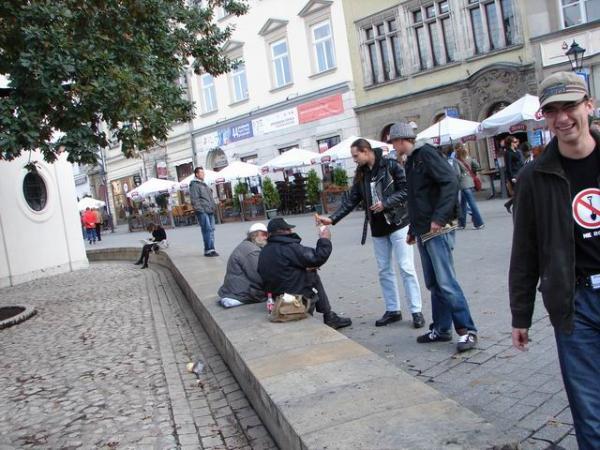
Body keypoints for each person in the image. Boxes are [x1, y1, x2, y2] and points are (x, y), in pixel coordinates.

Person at [509, 71, 600, 448]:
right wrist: (521, 314)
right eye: (552, 111)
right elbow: (525, 249)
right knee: (590, 411)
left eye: (570, 106)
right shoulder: (534, 176)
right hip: (575, 304)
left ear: (589, 106)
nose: (562, 118)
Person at [316, 137, 425, 328]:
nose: (354, 160)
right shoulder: (362, 173)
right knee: (384, 270)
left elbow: (407, 189)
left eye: (355, 156)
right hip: (378, 227)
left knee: (406, 268)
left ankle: (416, 311)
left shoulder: (390, 165)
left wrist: (386, 203)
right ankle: (393, 310)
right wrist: (332, 219)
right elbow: (352, 200)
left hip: (398, 222)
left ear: (366, 151)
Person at [390, 122, 479, 353]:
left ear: (401, 140)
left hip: (438, 228)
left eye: (393, 142)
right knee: (435, 283)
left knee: (446, 282)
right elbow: (416, 198)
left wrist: (439, 217)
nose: (393, 146)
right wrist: (413, 229)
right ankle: (441, 329)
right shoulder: (412, 160)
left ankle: (467, 330)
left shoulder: (426, 154)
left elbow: (450, 182)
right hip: (424, 229)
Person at [258, 217, 351, 329]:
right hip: (294, 299)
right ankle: (329, 316)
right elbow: (318, 257)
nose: (291, 231)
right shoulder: (289, 247)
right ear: (283, 231)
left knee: (310, 270)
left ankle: (328, 315)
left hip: (275, 297)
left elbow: (282, 269)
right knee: (313, 274)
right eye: (289, 229)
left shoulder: (265, 250)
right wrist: (324, 239)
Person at [218, 223, 268, 308]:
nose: (266, 237)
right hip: (240, 293)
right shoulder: (252, 251)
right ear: (254, 235)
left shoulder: (246, 245)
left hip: (233, 290)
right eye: (263, 234)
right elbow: (258, 276)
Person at [455, 145, 485, 230]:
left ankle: (479, 223)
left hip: (463, 184)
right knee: (463, 204)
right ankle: (461, 224)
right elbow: (477, 166)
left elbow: (457, 174)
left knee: (472, 204)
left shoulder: (456, 160)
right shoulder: (469, 158)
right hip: (471, 182)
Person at [190, 166, 218, 257]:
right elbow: (194, 199)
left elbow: (209, 198)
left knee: (211, 230)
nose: (203, 174)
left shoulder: (204, 184)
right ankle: (208, 250)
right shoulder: (194, 185)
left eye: (203, 172)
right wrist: (200, 210)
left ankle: (212, 249)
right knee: (207, 230)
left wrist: (213, 207)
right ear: (197, 174)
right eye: (201, 173)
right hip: (203, 211)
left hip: (209, 210)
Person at [503, 136, 524, 213]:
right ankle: (516, 208)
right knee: (519, 192)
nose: (517, 143)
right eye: (515, 142)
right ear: (510, 143)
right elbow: (508, 167)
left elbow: (520, 162)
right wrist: (511, 178)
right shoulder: (508, 153)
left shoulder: (516, 151)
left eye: (517, 141)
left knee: (520, 192)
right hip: (514, 175)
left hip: (520, 173)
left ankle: (509, 204)